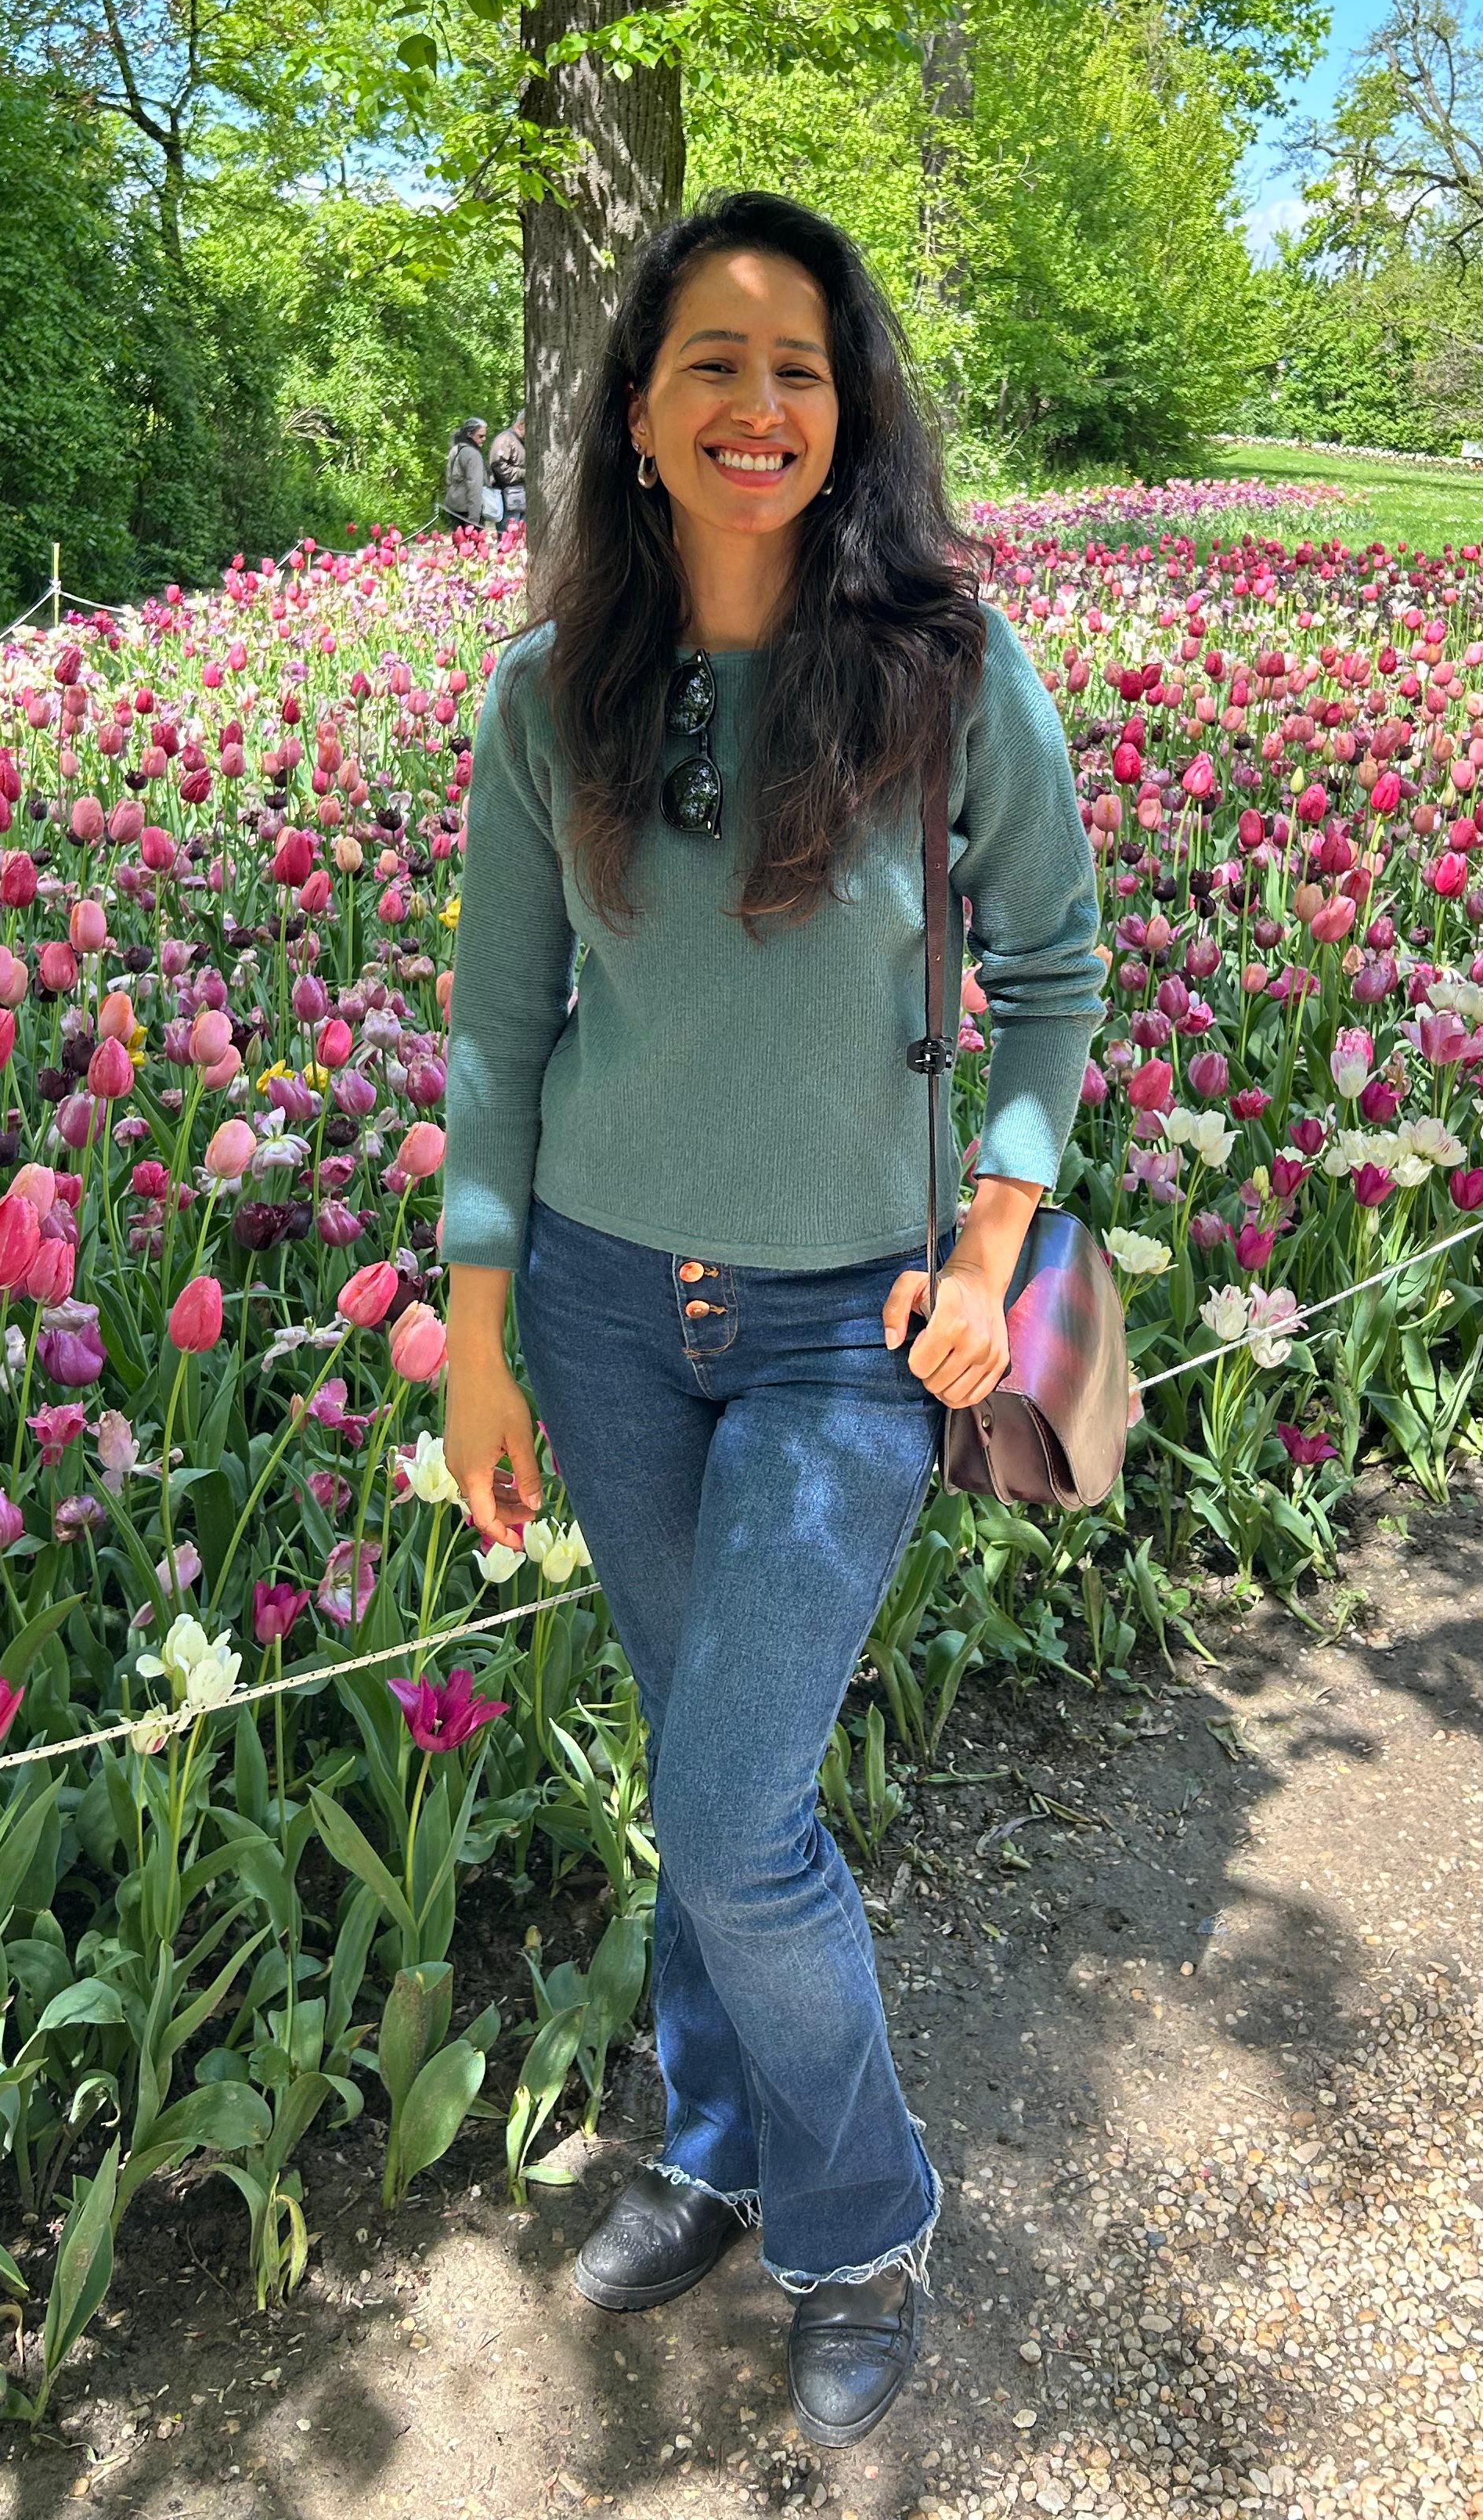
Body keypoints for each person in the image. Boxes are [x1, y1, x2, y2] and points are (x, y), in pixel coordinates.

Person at [437, 190, 1102, 2450]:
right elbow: (495, 1025)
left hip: (860, 1328)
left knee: (731, 1811)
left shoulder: (941, 669)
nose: (758, 400)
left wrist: (999, 1256)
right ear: (635, 413)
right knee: (690, 1742)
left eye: (800, 364)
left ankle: (861, 2206)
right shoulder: (550, 701)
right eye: (711, 360)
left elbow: (1057, 978)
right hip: (614, 1309)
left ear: (852, 411)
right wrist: (481, 1321)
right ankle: (712, 2144)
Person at [443, 419, 490, 529]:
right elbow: (475, 487)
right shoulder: (473, 455)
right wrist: (474, 519)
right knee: (473, 546)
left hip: (453, 506)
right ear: (470, 434)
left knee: (458, 545)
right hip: (468, 510)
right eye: (481, 436)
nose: (484, 439)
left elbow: (449, 479)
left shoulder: (455, 449)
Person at [486, 413, 527, 526]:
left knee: (520, 536)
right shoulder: (505, 439)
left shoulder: (519, 441)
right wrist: (524, 474)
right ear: (521, 424)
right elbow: (499, 468)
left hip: (521, 496)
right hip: (508, 496)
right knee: (507, 536)